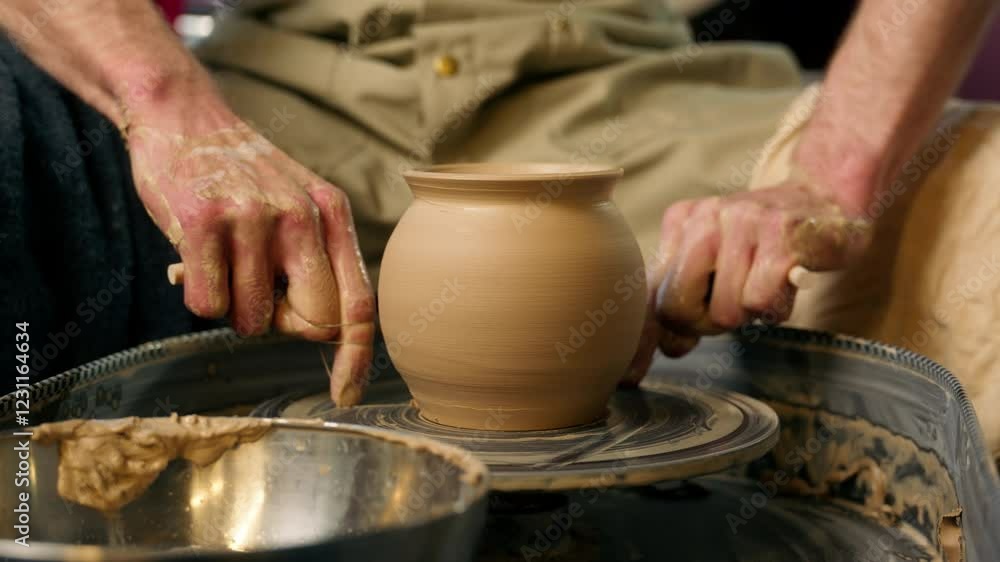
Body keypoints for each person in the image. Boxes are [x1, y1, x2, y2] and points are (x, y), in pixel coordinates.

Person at [1, 1, 998, 457]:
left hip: (640, 112)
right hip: (266, 108)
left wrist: (825, 177)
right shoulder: (202, 113)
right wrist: (169, 109)